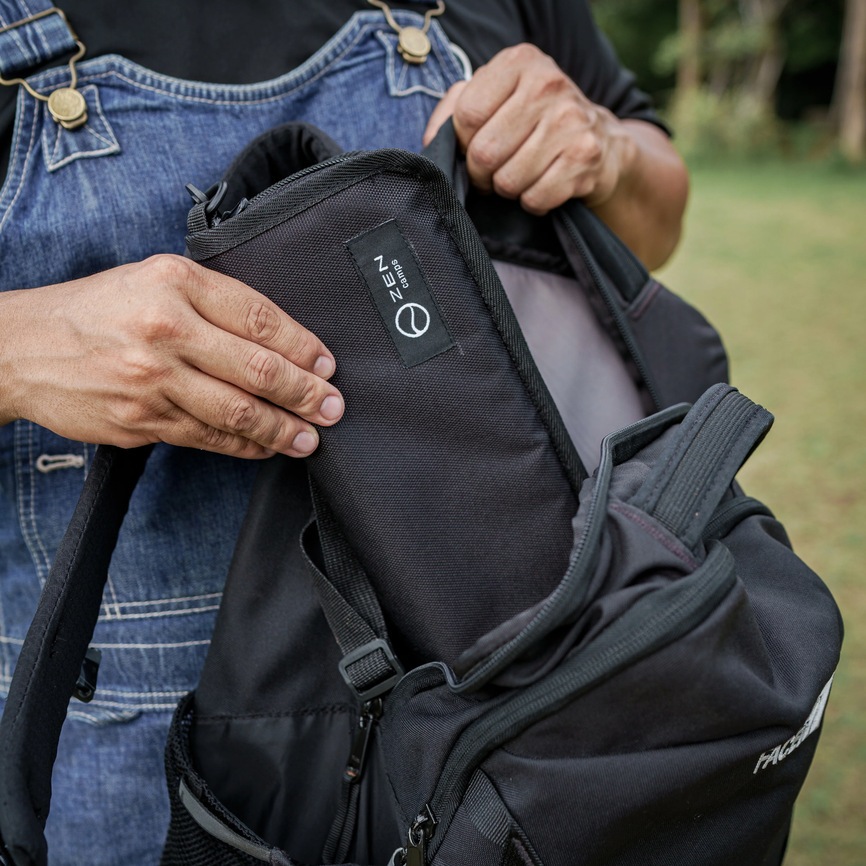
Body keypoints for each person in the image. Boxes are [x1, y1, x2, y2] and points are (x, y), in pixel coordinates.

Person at [0, 1, 688, 863]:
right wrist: (20, 350)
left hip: (528, 706)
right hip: (144, 782)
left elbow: (655, 224)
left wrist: (610, 153)